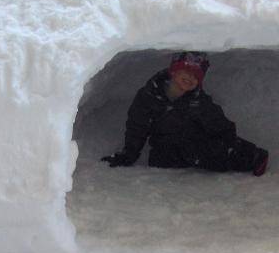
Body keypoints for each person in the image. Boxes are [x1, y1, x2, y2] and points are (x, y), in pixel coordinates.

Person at [101, 51, 269, 176]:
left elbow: (217, 122)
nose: (190, 79)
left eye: (195, 77)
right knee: (159, 163)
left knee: (211, 155)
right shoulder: (149, 95)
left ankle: (254, 156)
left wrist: (229, 141)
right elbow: (137, 127)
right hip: (165, 144)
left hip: (195, 140)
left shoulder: (198, 100)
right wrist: (128, 155)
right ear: (173, 72)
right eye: (186, 73)